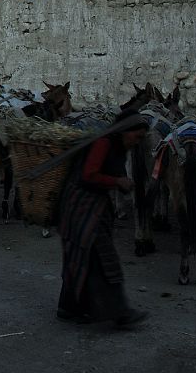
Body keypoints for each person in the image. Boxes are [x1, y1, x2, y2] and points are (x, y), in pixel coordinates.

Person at [57, 109, 149, 328]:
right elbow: (88, 175)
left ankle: (69, 307)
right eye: (136, 137)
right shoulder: (103, 144)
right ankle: (120, 312)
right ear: (125, 131)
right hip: (82, 205)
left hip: (91, 205)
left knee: (81, 257)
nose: (137, 143)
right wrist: (117, 182)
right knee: (104, 258)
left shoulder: (117, 147)